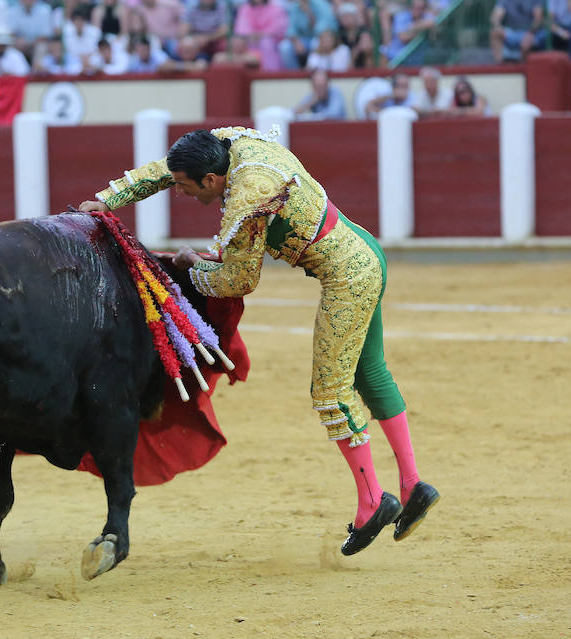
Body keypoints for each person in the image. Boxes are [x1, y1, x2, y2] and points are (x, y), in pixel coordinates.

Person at [78, 126, 440, 556]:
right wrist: (109, 199)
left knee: (331, 393)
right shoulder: (232, 146)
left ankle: (371, 502)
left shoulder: (248, 198)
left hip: (348, 277)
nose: (181, 193)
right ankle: (413, 483)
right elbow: (168, 168)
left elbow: (239, 280)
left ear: (211, 180)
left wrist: (190, 265)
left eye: (186, 187)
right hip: (364, 248)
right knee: (370, 373)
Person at [278, 0, 338, 70]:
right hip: (302, 39)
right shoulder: (295, 6)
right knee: (285, 47)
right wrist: (296, 41)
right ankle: (294, 75)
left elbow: (322, 30)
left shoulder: (322, 4)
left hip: (319, 38)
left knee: (315, 43)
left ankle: (316, 73)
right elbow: (290, 29)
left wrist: (308, 13)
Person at [233, 0, 289, 71]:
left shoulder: (275, 8)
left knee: (266, 42)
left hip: (270, 39)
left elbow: (278, 27)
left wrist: (261, 34)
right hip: (249, 39)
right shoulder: (245, 8)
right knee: (244, 43)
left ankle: (270, 72)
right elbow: (241, 27)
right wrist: (251, 35)